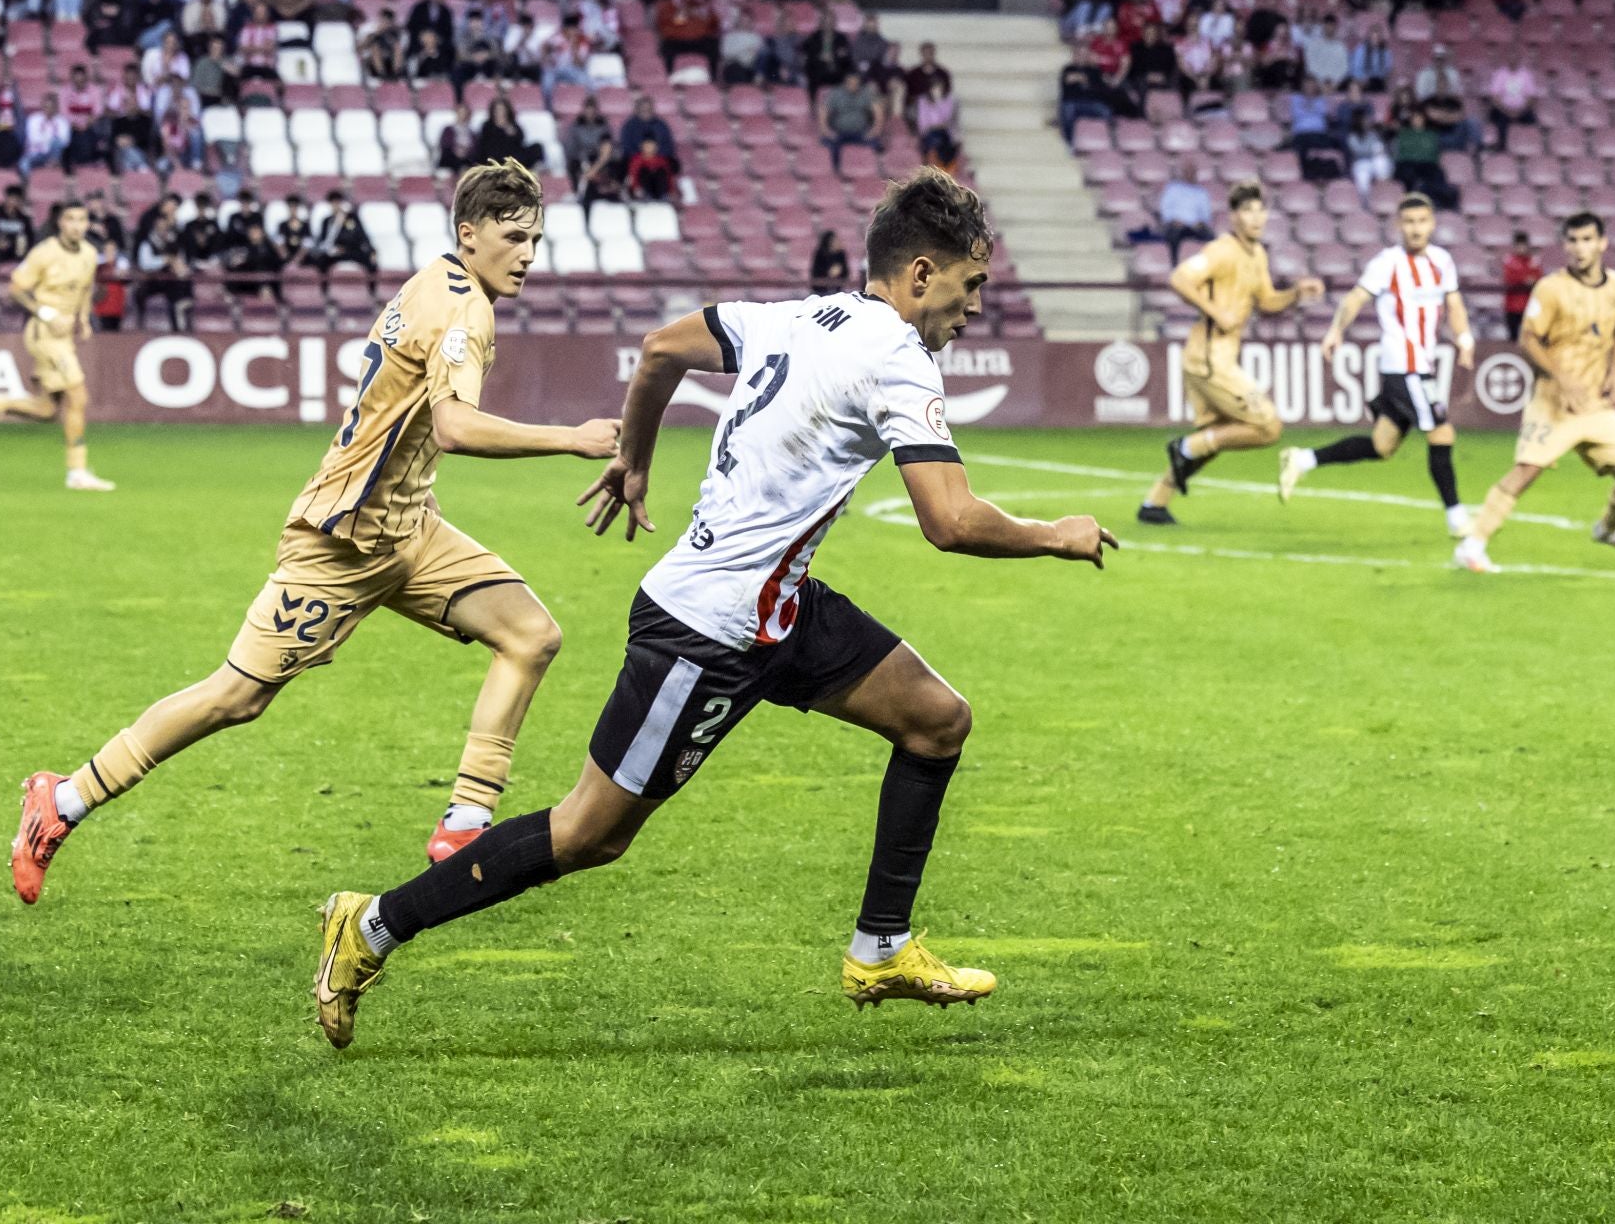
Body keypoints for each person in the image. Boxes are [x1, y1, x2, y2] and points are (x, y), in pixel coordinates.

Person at [311, 167, 1118, 1047]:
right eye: (970, 286)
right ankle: (371, 923)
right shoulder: (897, 357)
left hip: (777, 607)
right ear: (921, 273)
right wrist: (1055, 533)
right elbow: (952, 521)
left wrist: (635, 459)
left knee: (935, 720)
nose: (973, 309)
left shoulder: (797, 316)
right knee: (588, 835)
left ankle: (880, 949)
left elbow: (659, 348)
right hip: (707, 630)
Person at [9, 161, 629, 908]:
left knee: (531, 636)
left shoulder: (437, 278)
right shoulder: (465, 311)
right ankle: (63, 799)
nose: (529, 254)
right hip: (341, 541)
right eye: (514, 236)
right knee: (235, 697)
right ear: (470, 235)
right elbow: (455, 425)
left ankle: (465, 823)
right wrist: (574, 439)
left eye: (536, 238)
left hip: (409, 528)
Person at [1454, 212, 1615, 574]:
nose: (1579, 248)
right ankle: (1473, 545)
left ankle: (1608, 529)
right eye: (1572, 241)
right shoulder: (1551, 289)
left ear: (1603, 243)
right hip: (1553, 401)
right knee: (1525, 471)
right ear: (1564, 245)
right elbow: (1527, 339)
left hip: (1594, 404)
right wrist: (1562, 379)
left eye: (1587, 240)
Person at [1282, 193, 1475, 536]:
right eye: (1409, 222)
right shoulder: (1387, 263)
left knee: (1382, 445)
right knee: (1442, 432)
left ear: (1432, 223)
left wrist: (1463, 338)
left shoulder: (1442, 261)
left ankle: (1303, 460)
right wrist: (1335, 331)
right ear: (1398, 226)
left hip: (1419, 365)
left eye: (1422, 221)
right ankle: (1457, 516)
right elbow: (1356, 298)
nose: (1416, 229)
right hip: (1404, 365)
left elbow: (1455, 302)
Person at [1137, 180, 1326, 525]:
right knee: (1268, 426)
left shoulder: (1257, 255)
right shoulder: (1222, 250)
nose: (1255, 217)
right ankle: (1184, 448)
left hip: (1218, 358)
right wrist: (1216, 311)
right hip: (1209, 359)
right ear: (1234, 216)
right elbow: (1180, 277)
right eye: (1247, 211)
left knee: (1216, 439)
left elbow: (1267, 301)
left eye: (1260, 209)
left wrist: (1296, 293)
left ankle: (1154, 503)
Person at [0, 203, 114, 491]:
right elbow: (14, 289)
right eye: (70, 219)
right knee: (78, 395)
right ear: (59, 223)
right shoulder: (44, 253)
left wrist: (84, 319)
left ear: (88, 224)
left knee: (46, 410)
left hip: (64, 337)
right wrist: (47, 313)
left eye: (82, 219)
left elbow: (86, 287)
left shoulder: (89, 253)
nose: (76, 225)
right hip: (43, 333)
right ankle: (77, 471)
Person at [1415, 44, 1479, 153]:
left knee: (1472, 122)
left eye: (1444, 84)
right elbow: (1431, 114)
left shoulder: (1453, 100)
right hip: (1436, 136)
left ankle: (1477, 153)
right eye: (1437, 58)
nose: (1439, 61)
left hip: (1452, 134)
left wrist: (1444, 117)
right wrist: (1448, 117)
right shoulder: (1428, 99)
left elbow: (1460, 115)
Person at [817, 67, 881, 173]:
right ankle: (836, 173)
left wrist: (875, 130)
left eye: (856, 83)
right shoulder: (835, 93)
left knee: (874, 144)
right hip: (839, 132)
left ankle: (865, 173)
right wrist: (826, 131)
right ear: (845, 82)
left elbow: (878, 112)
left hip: (860, 132)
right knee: (828, 144)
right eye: (850, 83)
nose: (853, 86)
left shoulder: (866, 93)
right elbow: (823, 111)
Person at [1156, 157, 1212, 266]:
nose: (1190, 174)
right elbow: (1165, 209)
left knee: (1211, 238)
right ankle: (1175, 268)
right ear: (1183, 173)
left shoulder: (1201, 192)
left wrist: (1200, 222)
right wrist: (1173, 220)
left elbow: (1206, 215)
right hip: (1176, 225)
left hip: (1195, 227)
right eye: (1188, 171)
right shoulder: (1172, 188)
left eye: (1193, 172)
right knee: (1173, 236)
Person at [303, 189, 374, 271]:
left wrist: (344, 247)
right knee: (318, 259)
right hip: (332, 252)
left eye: (337, 202)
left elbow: (360, 236)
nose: (335, 205)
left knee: (368, 259)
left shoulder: (351, 218)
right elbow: (322, 240)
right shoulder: (326, 221)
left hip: (349, 251)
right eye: (333, 203)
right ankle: (323, 282)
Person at [1057, 41, 1112, 143]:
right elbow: (1067, 81)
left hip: (1090, 103)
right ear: (1074, 55)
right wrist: (1081, 78)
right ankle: (1070, 143)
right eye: (1079, 54)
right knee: (1068, 110)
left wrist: (1083, 79)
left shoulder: (1094, 70)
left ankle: (1109, 141)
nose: (1081, 57)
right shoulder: (1068, 69)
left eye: (1084, 54)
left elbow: (1100, 89)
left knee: (1106, 111)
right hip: (1073, 102)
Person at [1485, 46, 1538, 152]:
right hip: (1503, 110)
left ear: (1519, 59)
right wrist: (1508, 111)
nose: (1513, 60)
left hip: (1521, 110)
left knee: (1533, 120)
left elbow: (1532, 98)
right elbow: (1494, 98)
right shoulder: (1500, 74)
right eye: (1511, 57)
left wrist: (1520, 111)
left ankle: (1530, 148)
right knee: (1500, 119)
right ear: (1507, 59)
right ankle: (1501, 148)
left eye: (1515, 58)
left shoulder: (1526, 74)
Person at [224, 218, 285, 298]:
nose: (254, 233)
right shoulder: (244, 247)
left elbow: (277, 263)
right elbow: (232, 263)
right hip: (248, 286)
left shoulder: (270, 248)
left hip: (267, 285)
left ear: (262, 232)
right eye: (251, 230)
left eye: (256, 230)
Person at [618, 95, 677, 171]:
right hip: (635, 160)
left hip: (658, 159)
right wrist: (643, 158)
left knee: (673, 165)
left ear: (653, 109)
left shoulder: (662, 125)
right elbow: (627, 147)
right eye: (643, 109)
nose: (646, 111)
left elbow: (668, 146)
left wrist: (654, 158)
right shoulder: (629, 126)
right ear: (636, 110)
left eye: (649, 109)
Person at [563, 97, 613, 186]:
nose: (590, 113)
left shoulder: (603, 126)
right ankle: (576, 190)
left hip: (598, 157)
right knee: (573, 165)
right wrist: (582, 157)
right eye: (588, 110)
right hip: (581, 157)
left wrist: (593, 167)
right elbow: (571, 147)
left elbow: (607, 146)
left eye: (592, 110)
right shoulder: (576, 126)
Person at [19, 92, 72, 177]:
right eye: (46, 107)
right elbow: (33, 138)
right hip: (37, 152)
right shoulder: (33, 119)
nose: (49, 110)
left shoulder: (62, 121)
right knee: (24, 163)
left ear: (56, 108)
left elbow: (65, 140)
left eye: (52, 107)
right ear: (42, 106)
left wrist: (48, 140)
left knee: (56, 142)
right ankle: (25, 182)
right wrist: (49, 139)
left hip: (55, 153)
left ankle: (53, 163)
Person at [1501, 231, 1541, 340]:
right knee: (1513, 338)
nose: (1521, 248)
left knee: (1530, 338)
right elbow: (1509, 278)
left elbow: (1538, 277)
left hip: (1529, 306)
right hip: (1512, 306)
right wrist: (1524, 279)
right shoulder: (1509, 261)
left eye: (1523, 245)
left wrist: (1529, 280)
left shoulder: (1534, 261)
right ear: (1514, 246)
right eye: (1519, 245)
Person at [1345, 110, 1392, 195]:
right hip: (1360, 163)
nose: (1366, 123)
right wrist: (1371, 151)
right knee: (1363, 179)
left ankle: (1383, 183)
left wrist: (1376, 151)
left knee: (1380, 158)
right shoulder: (1352, 136)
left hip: (1372, 161)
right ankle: (1365, 202)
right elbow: (1357, 152)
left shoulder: (1372, 134)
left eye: (1367, 120)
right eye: (1364, 121)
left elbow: (1380, 147)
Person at [1298, 12, 1349, 89]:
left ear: (1336, 27)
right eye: (1327, 25)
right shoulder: (1313, 45)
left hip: (1336, 85)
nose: (1329, 28)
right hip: (1316, 85)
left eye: (1332, 25)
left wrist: (1335, 83)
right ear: (1323, 26)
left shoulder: (1341, 47)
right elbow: (1310, 67)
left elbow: (1344, 68)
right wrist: (1321, 84)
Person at [359, 7, 407, 81]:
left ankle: (396, 74)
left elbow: (401, 50)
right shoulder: (371, 31)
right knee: (375, 47)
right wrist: (377, 33)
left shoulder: (397, 33)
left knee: (397, 46)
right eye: (383, 20)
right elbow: (361, 48)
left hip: (391, 62)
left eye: (388, 22)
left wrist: (389, 36)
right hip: (373, 63)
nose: (385, 24)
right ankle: (381, 75)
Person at [625, 134, 674, 200]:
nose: (648, 147)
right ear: (641, 146)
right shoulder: (636, 160)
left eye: (651, 144)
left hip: (660, 190)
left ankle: (662, 196)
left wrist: (671, 191)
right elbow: (633, 176)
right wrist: (636, 189)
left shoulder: (662, 161)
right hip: (643, 191)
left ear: (656, 147)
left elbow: (669, 177)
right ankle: (647, 196)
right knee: (644, 171)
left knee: (660, 172)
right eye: (646, 145)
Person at [1350, 25, 1392, 91]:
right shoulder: (1360, 49)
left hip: (1378, 81)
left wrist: (1386, 77)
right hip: (1361, 80)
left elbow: (1387, 70)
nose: (1375, 40)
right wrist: (1361, 78)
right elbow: (1355, 69)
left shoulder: (1385, 52)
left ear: (1381, 38)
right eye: (1373, 37)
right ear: (1369, 37)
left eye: (1377, 37)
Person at [809, 227, 848, 292]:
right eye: (833, 241)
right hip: (821, 289)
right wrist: (828, 273)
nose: (837, 242)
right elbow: (815, 272)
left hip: (838, 289)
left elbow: (846, 272)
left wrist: (840, 271)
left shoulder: (841, 254)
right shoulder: (820, 253)